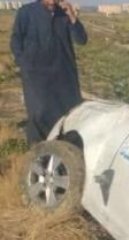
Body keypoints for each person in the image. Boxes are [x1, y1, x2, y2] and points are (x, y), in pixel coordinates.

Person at [10, 0, 87, 144]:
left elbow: (82, 40)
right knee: (39, 116)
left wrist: (73, 17)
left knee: (68, 117)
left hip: (64, 77)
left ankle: (64, 157)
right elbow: (15, 40)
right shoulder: (26, 12)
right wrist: (24, 64)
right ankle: (38, 158)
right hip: (36, 77)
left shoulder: (64, 13)